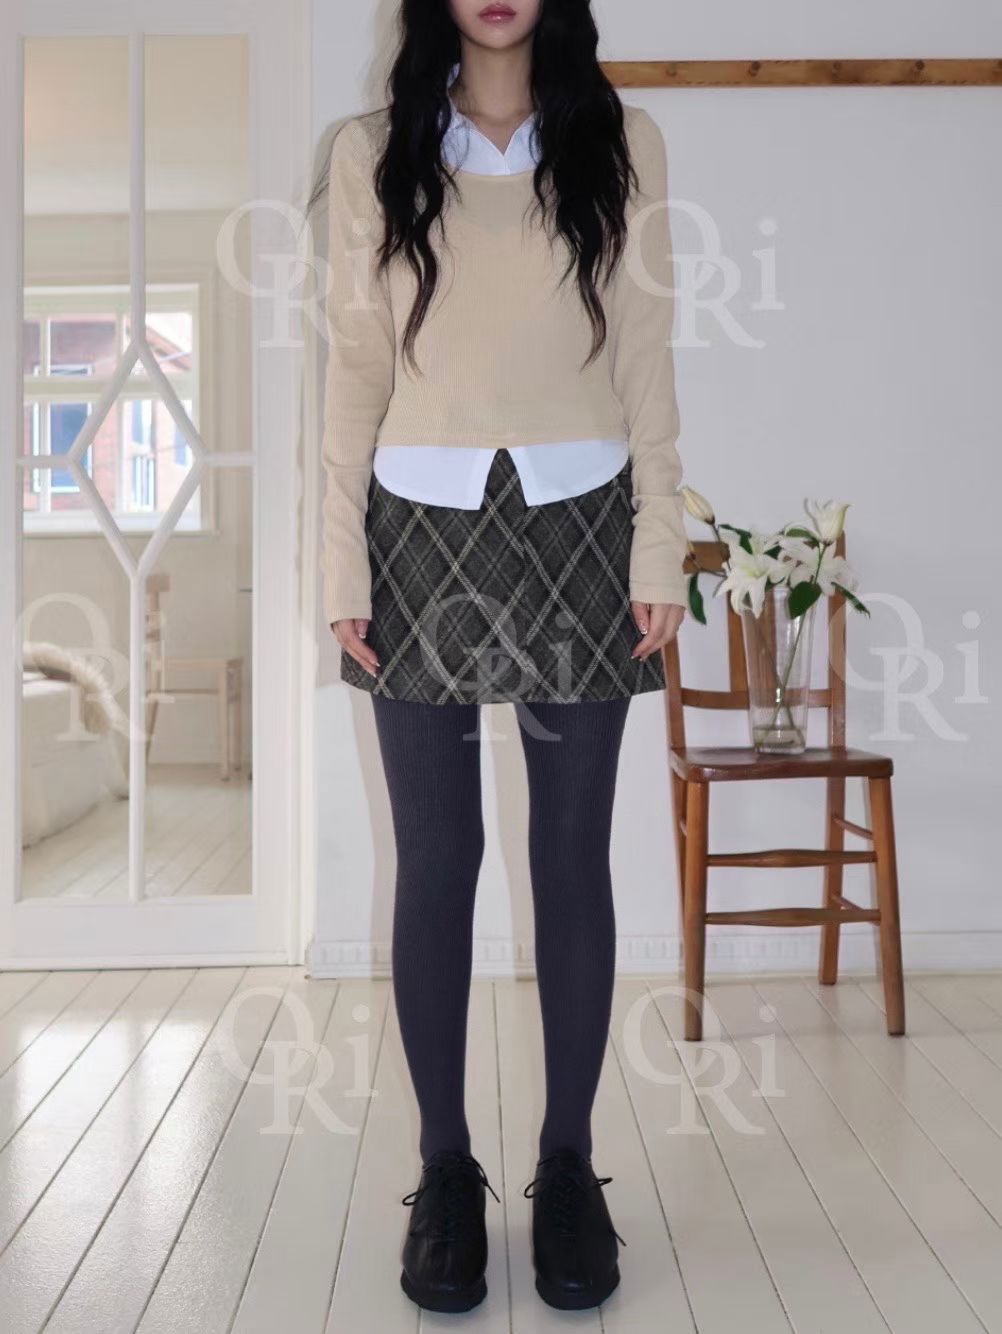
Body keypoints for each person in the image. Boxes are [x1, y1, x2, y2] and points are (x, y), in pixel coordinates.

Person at [318, 0, 687, 1314]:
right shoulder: (371, 152)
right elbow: (352, 366)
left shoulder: (622, 140)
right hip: (414, 524)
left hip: (585, 517)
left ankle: (569, 1168)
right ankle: (445, 1174)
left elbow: (646, 353)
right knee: (437, 856)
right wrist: (341, 565)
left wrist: (659, 546)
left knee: (569, 854)